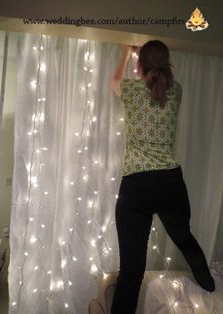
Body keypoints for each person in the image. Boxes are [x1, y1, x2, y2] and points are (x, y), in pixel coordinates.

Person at [110, 40, 215, 314]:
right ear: (167, 66)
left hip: (136, 185)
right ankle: (207, 281)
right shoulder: (175, 91)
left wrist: (125, 55)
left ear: (141, 66)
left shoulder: (131, 91)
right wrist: (143, 62)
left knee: (131, 271)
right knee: (183, 237)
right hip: (170, 183)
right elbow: (156, 82)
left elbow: (114, 81)